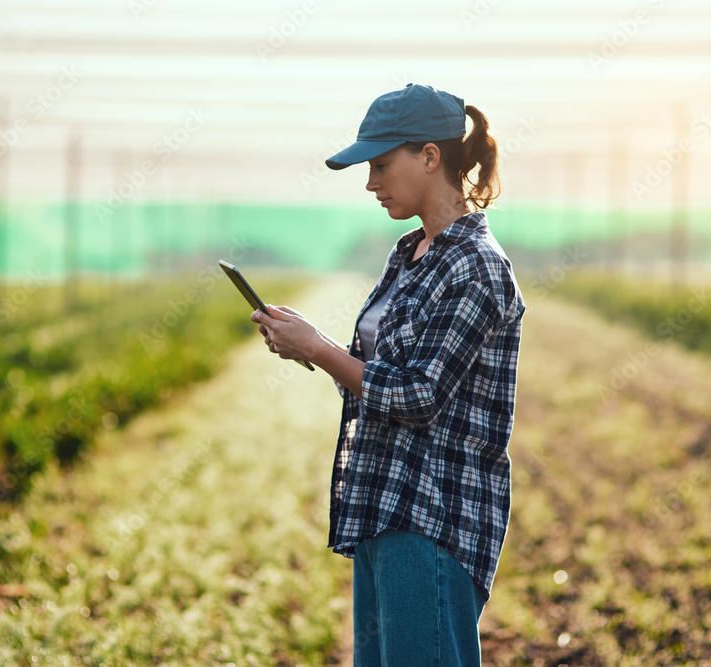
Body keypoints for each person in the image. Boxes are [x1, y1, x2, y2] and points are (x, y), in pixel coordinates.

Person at [250, 83, 525, 665]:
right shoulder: (411, 254)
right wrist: (307, 346)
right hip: (384, 506)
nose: (371, 182)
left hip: (433, 518)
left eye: (379, 165)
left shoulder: (476, 267)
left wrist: (322, 348)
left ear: (430, 156)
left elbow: (420, 396)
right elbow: (384, 378)